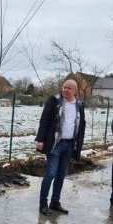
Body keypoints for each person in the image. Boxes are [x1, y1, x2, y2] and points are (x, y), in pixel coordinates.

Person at [35, 79, 86, 216]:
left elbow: (81, 126)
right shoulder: (54, 101)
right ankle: (43, 203)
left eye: (69, 88)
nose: (66, 90)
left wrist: (78, 145)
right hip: (55, 144)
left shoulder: (79, 105)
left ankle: (55, 202)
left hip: (69, 145)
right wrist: (40, 139)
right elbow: (44, 120)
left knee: (61, 175)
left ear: (75, 91)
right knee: (51, 173)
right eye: (64, 87)